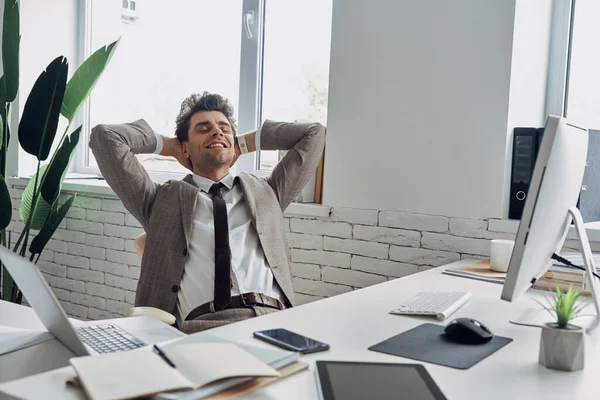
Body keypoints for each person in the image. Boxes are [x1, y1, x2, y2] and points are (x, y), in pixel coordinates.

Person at [90, 92, 325, 333]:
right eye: (204, 128)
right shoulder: (159, 201)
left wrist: (242, 143)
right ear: (185, 148)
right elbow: (105, 138)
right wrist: (169, 147)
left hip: (273, 320)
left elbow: (313, 134)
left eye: (224, 128)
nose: (217, 132)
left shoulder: (268, 192)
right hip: (201, 328)